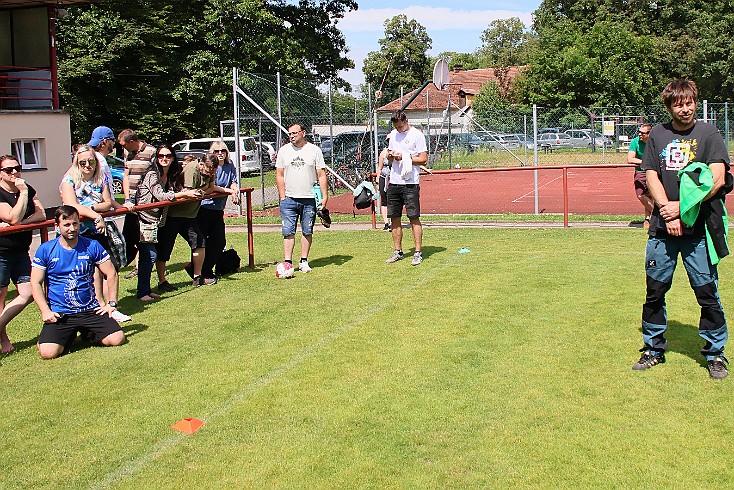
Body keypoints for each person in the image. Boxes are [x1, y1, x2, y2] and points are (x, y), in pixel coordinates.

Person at [633, 79, 732, 379]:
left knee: (707, 293)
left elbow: (717, 179)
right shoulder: (658, 135)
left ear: (694, 102)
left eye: (689, 102)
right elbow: (650, 173)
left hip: (698, 232)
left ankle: (715, 354)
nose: (685, 108)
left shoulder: (709, 134)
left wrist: (683, 208)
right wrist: (667, 210)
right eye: (679, 103)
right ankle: (653, 349)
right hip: (663, 230)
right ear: (669, 106)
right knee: (655, 291)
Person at [30, 206, 125, 359]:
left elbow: (111, 273)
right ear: (57, 226)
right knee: (48, 353)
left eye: (75, 224)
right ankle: (58, 336)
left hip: (90, 310)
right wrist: (45, 311)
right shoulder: (45, 249)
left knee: (117, 339)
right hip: (61, 313)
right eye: (66, 225)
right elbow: (35, 283)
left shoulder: (91, 245)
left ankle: (88, 334)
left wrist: (111, 304)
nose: (72, 228)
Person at [61, 145, 131, 323]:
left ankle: (111, 306)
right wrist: (95, 215)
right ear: (77, 162)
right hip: (78, 232)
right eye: (82, 162)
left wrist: (91, 209)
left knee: (109, 268)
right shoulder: (68, 181)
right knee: (88, 272)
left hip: (99, 230)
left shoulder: (101, 179)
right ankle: (96, 306)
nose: (87, 165)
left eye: (91, 161)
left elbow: (107, 203)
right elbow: (71, 206)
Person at [134, 145, 202, 301]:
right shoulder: (152, 174)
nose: (164, 159)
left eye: (168, 156)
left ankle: (145, 290)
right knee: (148, 255)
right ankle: (142, 292)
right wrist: (185, 193)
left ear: (172, 158)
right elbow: (161, 196)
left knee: (151, 254)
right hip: (144, 219)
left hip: (157, 221)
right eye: (161, 156)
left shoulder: (171, 174)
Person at [0, 155, 46, 354]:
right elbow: (11, 216)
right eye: (8, 170)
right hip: (1, 253)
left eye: (17, 168)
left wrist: (19, 224)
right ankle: (4, 340)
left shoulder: (26, 188)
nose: (14, 173)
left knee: (28, 293)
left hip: (21, 251)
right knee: (0, 297)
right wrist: (17, 218)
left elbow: (42, 214)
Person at [155, 155, 216, 289]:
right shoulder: (192, 169)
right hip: (173, 215)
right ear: (201, 164)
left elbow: (210, 188)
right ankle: (161, 281)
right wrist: (204, 188)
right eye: (208, 171)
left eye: (212, 172)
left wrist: (203, 189)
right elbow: (190, 193)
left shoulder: (210, 170)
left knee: (199, 242)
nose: (210, 174)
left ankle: (197, 277)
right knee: (165, 247)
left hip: (190, 216)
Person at [275, 122, 328, 273]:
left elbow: (321, 174)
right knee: (288, 231)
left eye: (294, 133)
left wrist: (324, 197)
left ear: (303, 133)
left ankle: (304, 261)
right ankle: (288, 262)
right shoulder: (284, 151)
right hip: (289, 199)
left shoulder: (314, 150)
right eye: (289, 134)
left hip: (309, 198)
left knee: (307, 230)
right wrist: (283, 196)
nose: (291, 136)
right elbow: (279, 174)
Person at [384, 110, 428, 266]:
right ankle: (398, 251)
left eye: (401, 126)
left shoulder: (417, 135)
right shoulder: (393, 135)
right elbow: (389, 156)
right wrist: (391, 156)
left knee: (413, 217)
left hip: (410, 183)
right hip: (394, 182)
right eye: (396, 127)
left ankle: (417, 252)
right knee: (394, 218)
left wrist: (405, 157)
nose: (399, 130)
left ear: (406, 121)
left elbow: (423, 159)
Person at [196, 141, 240, 280]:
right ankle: (201, 271)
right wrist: (229, 191)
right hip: (204, 208)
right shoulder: (212, 167)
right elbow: (212, 187)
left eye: (223, 151)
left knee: (219, 242)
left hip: (218, 209)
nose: (220, 153)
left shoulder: (229, 165)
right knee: (203, 242)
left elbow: (233, 180)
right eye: (216, 151)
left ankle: (204, 269)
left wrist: (234, 189)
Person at [118, 129, 155, 272]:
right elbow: (126, 176)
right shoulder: (128, 154)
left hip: (146, 202)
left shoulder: (151, 151)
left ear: (132, 141)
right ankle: (130, 264)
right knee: (128, 237)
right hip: (131, 203)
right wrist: (127, 198)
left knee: (146, 238)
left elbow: (156, 176)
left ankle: (142, 267)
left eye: (123, 145)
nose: (122, 148)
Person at [628, 123, 654, 227]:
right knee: (641, 195)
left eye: (642, 133)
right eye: (639, 132)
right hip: (640, 172)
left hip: (653, 171)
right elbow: (630, 159)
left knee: (652, 195)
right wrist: (644, 162)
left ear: (649, 133)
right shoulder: (635, 141)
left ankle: (647, 219)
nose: (640, 134)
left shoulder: (654, 141)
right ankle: (659, 215)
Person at [376, 142, 391, 231]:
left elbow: (411, 162)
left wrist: (425, 169)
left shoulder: (399, 151)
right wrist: (377, 182)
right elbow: (380, 168)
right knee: (384, 201)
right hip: (384, 178)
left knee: (393, 201)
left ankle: (393, 222)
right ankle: (386, 223)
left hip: (394, 179)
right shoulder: (383, 153)